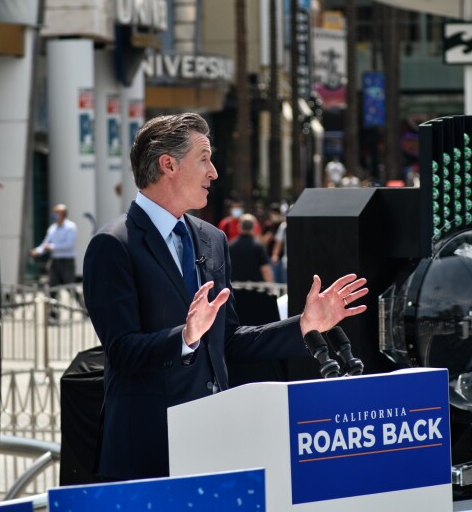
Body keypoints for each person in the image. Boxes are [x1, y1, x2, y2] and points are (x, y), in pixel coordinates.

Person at [82, 112, 369, 481]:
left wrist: (305, 325)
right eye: (204, 158)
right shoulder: (113, 245)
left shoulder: (212, 240)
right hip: (146, 450)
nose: (214, 172)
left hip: (212, 442)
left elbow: (229, 341)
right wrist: (185, 338)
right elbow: (121, 351)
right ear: (168, 164)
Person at [31, 203, 79, 314]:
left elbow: (69, 245)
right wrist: (37, 251)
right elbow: (45, 244)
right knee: (52, 288)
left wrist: (51, 247)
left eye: (57, 213)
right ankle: (53, 313)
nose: (54, 215)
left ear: (63, 214)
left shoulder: (71, 227)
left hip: (67, 261)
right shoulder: (52, 228)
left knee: (70, 287)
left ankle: (84, 309)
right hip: (55, 261)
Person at [228, 213, 273, 283]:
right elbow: (265, 269)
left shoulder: (230, 245)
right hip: (255, 290)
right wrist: (271, 286)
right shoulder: (259, 246)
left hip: (235, 289)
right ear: (254, 227)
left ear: (239, 227)